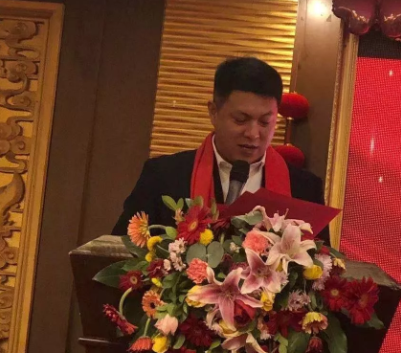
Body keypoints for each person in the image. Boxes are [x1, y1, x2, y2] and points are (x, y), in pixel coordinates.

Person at [111, 56, 325, 235]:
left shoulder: (305, 189)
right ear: (213, 112)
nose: (253, 134)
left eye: (264, 122)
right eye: (241, 120)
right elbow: (119, 254)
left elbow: (322, 266)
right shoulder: (163, 177)